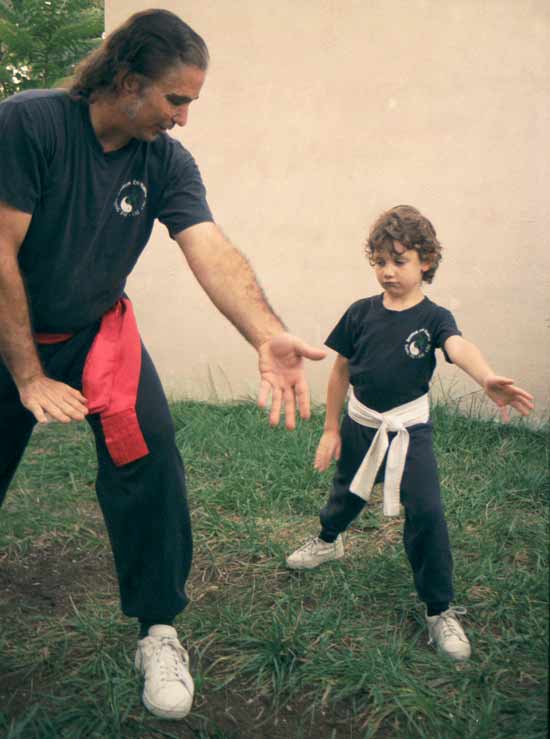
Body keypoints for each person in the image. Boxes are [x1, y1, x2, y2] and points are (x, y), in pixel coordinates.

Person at [0, 9, 325, 721]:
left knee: (147, 457)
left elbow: (208, 245)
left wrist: (264, 333)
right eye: (176, 99)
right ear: (126, 81)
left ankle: (158, 627)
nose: (183, 119)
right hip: (9, 326)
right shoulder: (30, 125)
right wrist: (26, 376)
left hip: (96, 333)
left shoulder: (164, 160)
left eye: (191, 103)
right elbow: (0, 256)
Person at [286, 204, 534, 661]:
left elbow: (458, 347)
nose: (387, 271)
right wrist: (329, 428)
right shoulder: (359, 313)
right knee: (347, 494)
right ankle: (328, 541)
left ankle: (439, 609)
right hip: (362, 424)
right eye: (380, 261)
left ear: (426, 262)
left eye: (399, 261)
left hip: (408, 429)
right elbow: (340, 370)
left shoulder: (434, 317)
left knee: (426, 511)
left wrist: (486, 378)